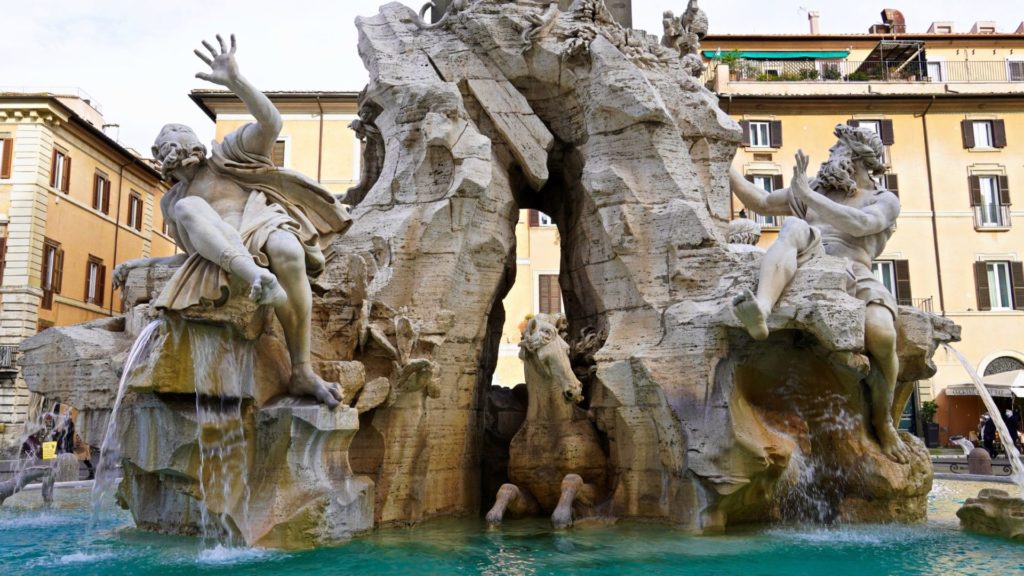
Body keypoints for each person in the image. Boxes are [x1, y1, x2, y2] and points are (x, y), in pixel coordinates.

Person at [112, 35, 351, 407]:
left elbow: (271, 123)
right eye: (167, 145)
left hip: (260, 223)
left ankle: (301, 370)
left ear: (198, 144)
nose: (175, 145)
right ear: (162, 159)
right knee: (187, 208)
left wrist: (236, 82)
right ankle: (259, 278)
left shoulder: (228, 157)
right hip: (226, 253)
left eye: (182, 137)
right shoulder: (174, 201)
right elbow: (190, 257)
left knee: (288, 248)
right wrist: (138, 263)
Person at [730, 125, 907, 463]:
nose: (828, 157)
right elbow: (761, 201)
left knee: (882, 335)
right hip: (811, 259)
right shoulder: (812, 188)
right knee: (795, 226)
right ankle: (762, 309)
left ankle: (883, 421)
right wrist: (723, 163)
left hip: (856, 270)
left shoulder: (883, 200)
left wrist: (809, 198)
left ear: (854, 156)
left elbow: (860, 225)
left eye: (834, 150)